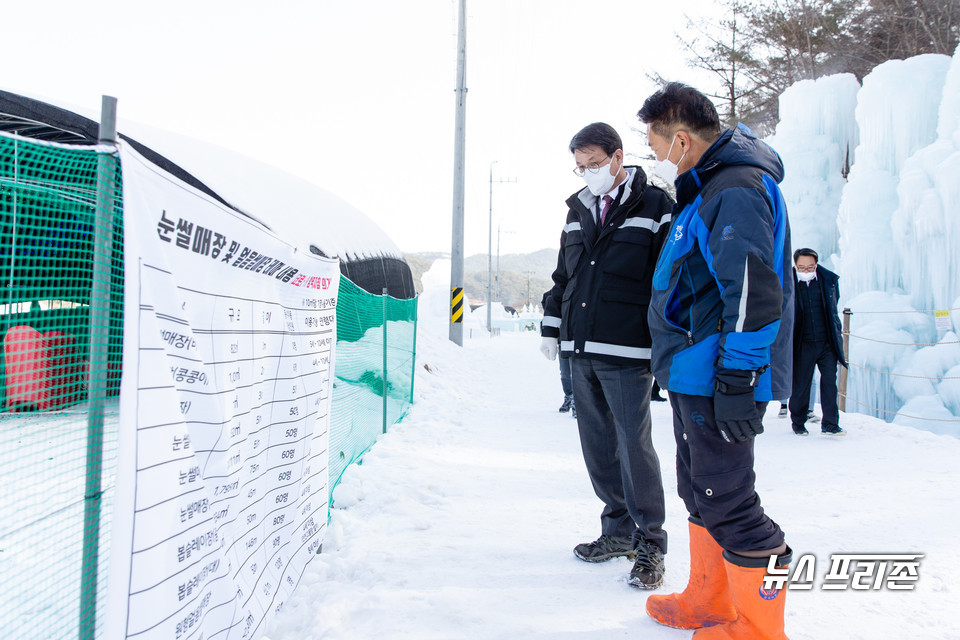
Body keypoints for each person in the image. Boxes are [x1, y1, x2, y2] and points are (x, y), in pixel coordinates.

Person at [637, 83, 795, 637]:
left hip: (717, 373)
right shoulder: (704, 190)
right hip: (691, 371)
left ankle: (759, 628)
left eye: (654, 143)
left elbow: (752, 290)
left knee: (730, 502)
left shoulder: (734, 189)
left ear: (680, 138)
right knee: (700, 489)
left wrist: (738, 375)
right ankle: (709, 600)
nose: (653, 156)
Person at [539, 122, 673, 589]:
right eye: (579, 166)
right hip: (579, 350)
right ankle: (615, 531)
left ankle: (650, 542)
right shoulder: (577, 209)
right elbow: (564, 277)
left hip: (627, 349)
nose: (586, 173)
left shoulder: (656, 205)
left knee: (634, 446)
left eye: (593, 164)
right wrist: (552, 327)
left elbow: (667, 280)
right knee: (597, 446)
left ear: (618, 157)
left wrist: (665, 344)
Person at [790, 248, 847, 436]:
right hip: (802, 343)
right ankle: (798, 422)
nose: (806, 271)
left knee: (830, 382)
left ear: (816, 265)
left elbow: (833, 309)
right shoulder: (787, 284)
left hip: (826, 343)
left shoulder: (828, 281)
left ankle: (830, 424)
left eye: (810, 267)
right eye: (802, 267)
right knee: (801, 384)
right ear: (795, 265)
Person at [541, 291, 576, 419]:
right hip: (563, 339)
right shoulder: (555, 294)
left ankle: (576, 403)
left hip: (578, 340)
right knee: (565, 373)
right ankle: (569, 397)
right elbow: (547, 299)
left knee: (576, 373)